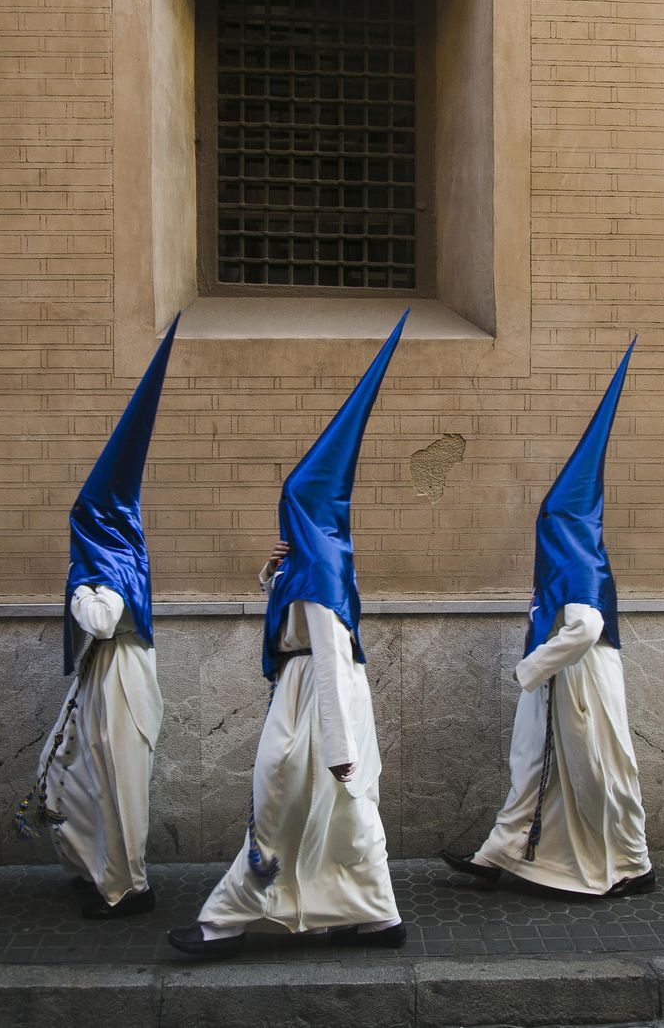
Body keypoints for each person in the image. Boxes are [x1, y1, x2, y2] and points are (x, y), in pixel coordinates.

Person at [168, 313, 408, 959]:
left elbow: (327, 653)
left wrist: (339, 744)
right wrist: (273, 570)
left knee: (282, 799)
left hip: (316, 699)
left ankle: (226, 920)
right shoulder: (310, 563)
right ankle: (377, 913)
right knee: (333, 809)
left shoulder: (323, 568)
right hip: (309, 693)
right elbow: (295, 624)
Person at [442, 338, 652, 899]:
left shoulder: (574, 547)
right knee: (534, 762)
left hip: (575, 672)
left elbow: (584, 627)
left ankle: (632, 862)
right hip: (569, 671)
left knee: (596, 768)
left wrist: (531, 668)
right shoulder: (580, 542)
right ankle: (496, 855)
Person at [18, 318, 178, 919]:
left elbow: (104, 619)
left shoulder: (109, 559)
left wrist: (77, 586)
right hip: (104, 674)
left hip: (120, 673)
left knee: (118, 786)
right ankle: (95, 865)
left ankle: (127, 886)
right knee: (76, 776)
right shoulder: (116, 554)